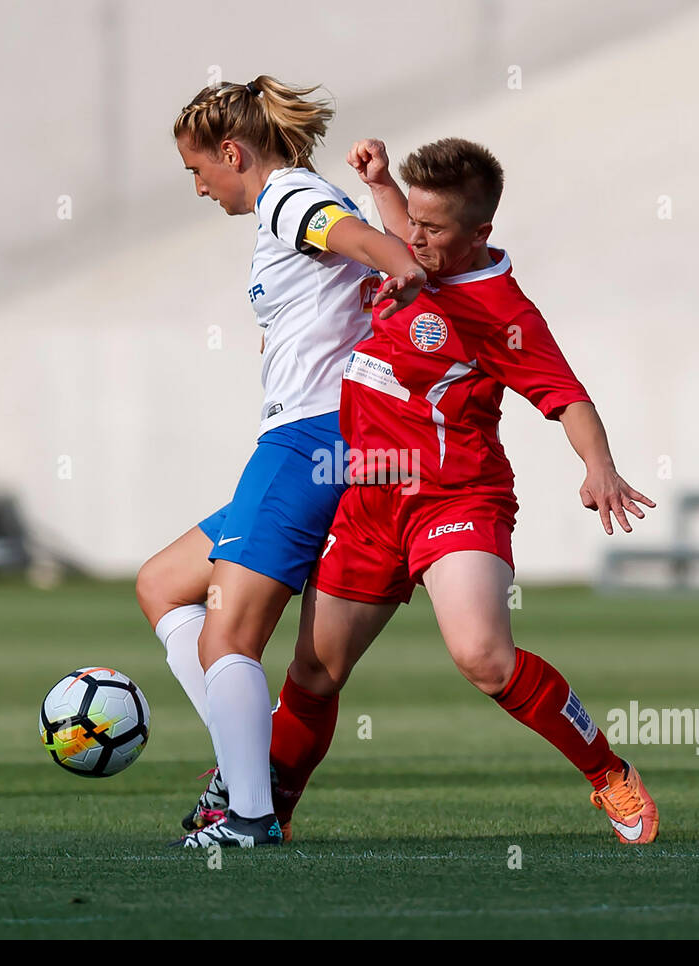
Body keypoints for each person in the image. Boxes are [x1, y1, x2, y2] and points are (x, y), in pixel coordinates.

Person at [195, 136, 660, 846]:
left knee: (484, 657)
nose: (412, 239)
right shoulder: (408, 253)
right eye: (408, 220)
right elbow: (395, 227)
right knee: (313, 673)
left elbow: (567, 398)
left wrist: (598, 467)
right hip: (369, 502)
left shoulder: (500, 309)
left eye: (432, 229)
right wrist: (382, 184)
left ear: (481, 234)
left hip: (456, 499)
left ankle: (608, 774)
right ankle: (265, 818)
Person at [135, 78, 426, 849]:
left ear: (233, 153)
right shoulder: (293, 201)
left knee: (227, 639)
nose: (198, 186)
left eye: (198, 169)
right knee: (163, 583)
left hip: (309, 440)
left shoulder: (288, 197)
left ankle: (250, 814)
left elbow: (353, 239)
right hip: (325, 439)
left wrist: (397, 261)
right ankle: (245, 769)